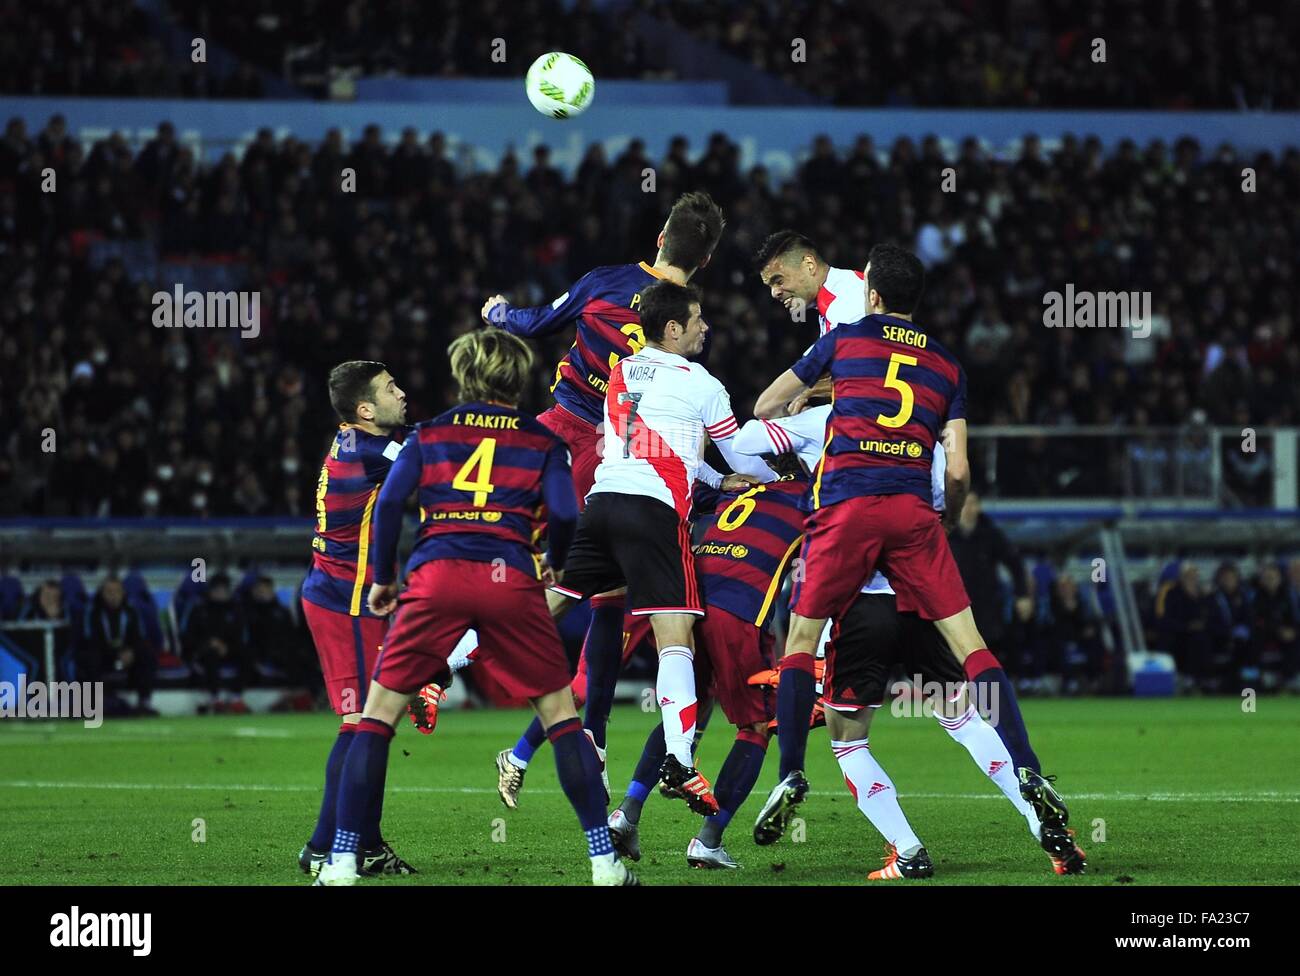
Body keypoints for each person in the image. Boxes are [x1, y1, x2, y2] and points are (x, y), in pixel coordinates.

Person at [751, 244, 1075, 873]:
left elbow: (765, 405)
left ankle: (790, 773)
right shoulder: (947, 366)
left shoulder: (844, 342)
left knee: (798, 642)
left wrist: (819, 397)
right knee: (972, 648)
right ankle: (1030, 769)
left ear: (870, 292)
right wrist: (947, 517)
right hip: (912, 516)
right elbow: (958, 469)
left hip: (848, 510)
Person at [316, 328, 637, 887]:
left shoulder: (432, 432)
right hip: (510, 580)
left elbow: (391, 503)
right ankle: (603, 862)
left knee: (375, 717)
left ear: (465, 375)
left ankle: (342, 860)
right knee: (562, 719)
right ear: (518, 379)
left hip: (436, 576)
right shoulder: (542, 441)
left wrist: (386, 580)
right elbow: (563, 515)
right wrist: (557, 565)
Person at [481, 191, 727, 779]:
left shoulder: (605, 282)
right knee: (610, 602)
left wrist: (497, 314)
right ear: (706, 260)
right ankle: (594, 732)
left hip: (558, 434)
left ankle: (446, 662)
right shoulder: (686, 326)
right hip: (622, 453)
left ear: (661, 237)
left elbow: (537, 323)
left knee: (496, 551)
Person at [547, 280, 774, 815]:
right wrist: (793, 460)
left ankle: (447, 662)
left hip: (603, 502)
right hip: (653, 512)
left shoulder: (621, 372)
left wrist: (715, 485)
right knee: (676, 636)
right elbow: (738, 449)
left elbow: (652, 442)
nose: (705, 326)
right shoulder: (700, 381)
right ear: (673, 329)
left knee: (552, 601)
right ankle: (679, 759)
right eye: (697, 319)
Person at [607, 462, 807, 869]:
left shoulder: (744, 489)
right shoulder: (813, 497)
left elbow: (687, 497)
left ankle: (626, 813)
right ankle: (709, 840)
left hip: (690, 601)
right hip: (738, 612)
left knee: (686, 711)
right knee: (755, 727)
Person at [297, 361, 416, 878]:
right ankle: (328, 846)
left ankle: (356, 843)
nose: (403, 392)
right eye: (391, 389)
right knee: (363, 725)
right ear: (366, 410)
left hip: (335, 594)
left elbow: (416, 442)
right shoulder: (374, 452)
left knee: (371, 723)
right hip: (349, 602)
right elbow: (429, 458)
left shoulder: (355, 442)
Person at [78, 577, 157, 717]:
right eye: (109, 592)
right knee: (89, 656)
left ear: (123, 593)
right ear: (102, 593)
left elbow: (140, 637)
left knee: (147, 654)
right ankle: (95, 702)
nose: (113, 596)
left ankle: (144, 702)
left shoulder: (131, 611)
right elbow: (88, 639)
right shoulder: (93, 612)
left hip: (126, 658)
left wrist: (131, 651)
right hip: (103, 658)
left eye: (117, 592)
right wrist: (114, 652)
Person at [183, 572, 252, 714]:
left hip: (229, 649)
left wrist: (227, 647)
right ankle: (215, 697)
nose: (221, 593)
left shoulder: (236, 609)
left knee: (248, 653)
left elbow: (241, 634)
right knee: (210, 655)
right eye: (217, 590)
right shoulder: (199, 609)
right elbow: (189, 635)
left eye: (224, 590)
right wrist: (209, 643)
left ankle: (236, 697)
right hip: (204, 649)